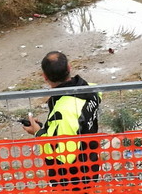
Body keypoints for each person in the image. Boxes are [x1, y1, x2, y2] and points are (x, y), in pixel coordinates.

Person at [22, 51, 101, 189]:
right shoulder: (90, 90)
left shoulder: (63, 111)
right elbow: (75, 127)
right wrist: (46, 128)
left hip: (71, 178)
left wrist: (37, 133)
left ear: (45, 77)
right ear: (69, 68)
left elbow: (64, 155)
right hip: (91, 162)